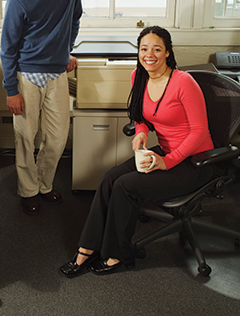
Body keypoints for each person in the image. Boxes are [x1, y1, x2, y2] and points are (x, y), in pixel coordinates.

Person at [59, 26, 214, 277]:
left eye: (156, 49)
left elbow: (199, 131)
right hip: (163, 152)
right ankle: (87, 249)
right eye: (143, 49)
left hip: (196, 161)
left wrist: (167, 161)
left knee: (125, 186)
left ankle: (117, 254)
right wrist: (142, 131)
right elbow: (139, 116)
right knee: (110, 178)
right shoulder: (138, 77)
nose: (149, 54)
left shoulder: (183, 82)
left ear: (167, 53)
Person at [0, 0, 82, 215]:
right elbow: (7, 49)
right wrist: (11, 89)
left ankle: (44, 184)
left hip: (57, 73)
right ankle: (28, 190)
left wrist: (66, 50)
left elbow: (75, 18)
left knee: (58, 136)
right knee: (26, 136)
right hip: (26, 77)